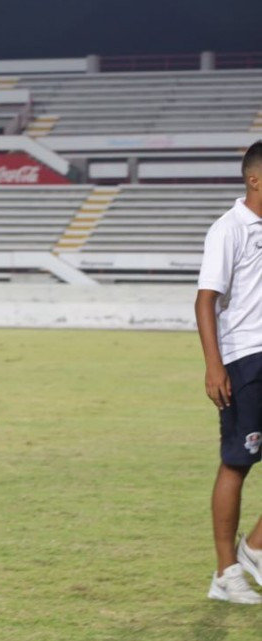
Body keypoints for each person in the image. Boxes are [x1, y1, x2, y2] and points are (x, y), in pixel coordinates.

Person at [197, 140, 262, 604]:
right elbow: (205, 300)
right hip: (245, 359)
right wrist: (214, 365)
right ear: (255, 179)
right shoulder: (229, 229)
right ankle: (226, 572)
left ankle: (255, 547)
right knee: (238, 461)